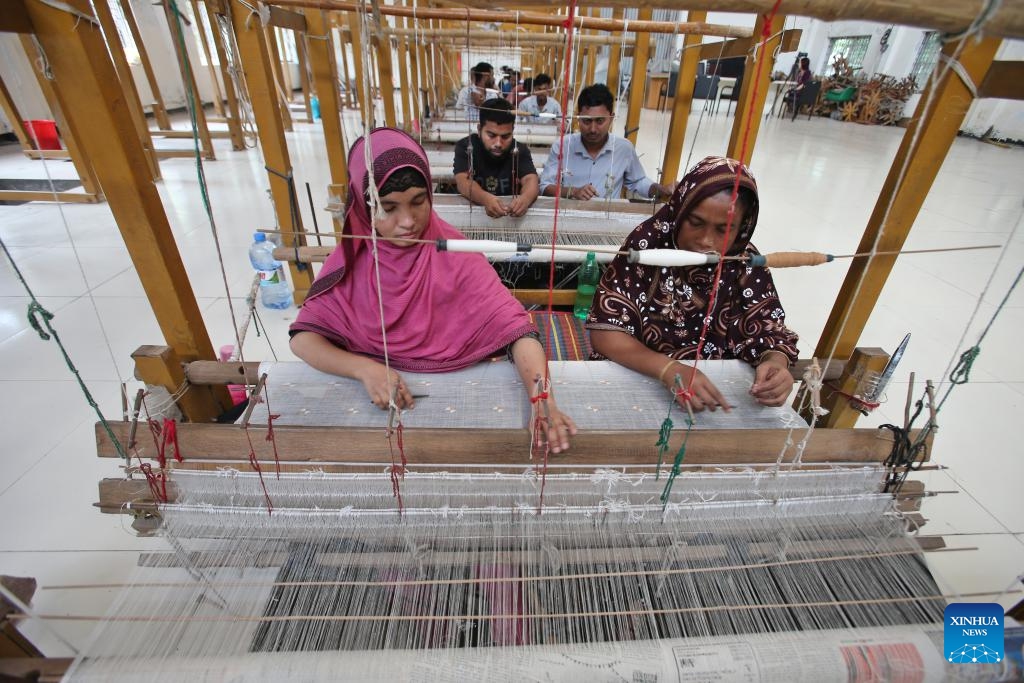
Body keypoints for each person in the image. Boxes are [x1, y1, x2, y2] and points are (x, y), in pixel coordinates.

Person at [290, 128, 575, 452]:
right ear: (363, 205)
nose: (407, 221)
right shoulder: (352, 264)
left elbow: (519, 332)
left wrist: (542, 399)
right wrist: (364, 369)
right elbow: (303, 339)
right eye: (388, 208)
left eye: (418, 202)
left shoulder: (456, 256)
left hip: (461, 410)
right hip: (375, 413)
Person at [586, 156, 799, 412]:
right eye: (695, 223)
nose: (706, 240)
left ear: (743, 227)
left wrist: (775, 362)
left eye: (724, 229)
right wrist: (668, 369)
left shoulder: (743, 262)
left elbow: (769, 330)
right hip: (639, 374)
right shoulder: (648, 246)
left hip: (711, 393)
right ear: (680, 209)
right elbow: (606, 332)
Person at [538, 83, 675, 201]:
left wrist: (661, 190)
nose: (592, 129)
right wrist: (573, 192)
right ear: (578, 118)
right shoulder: (562, 146)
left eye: (599, 121)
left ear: (611, 118)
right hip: (568, 218)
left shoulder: (624, 149)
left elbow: (638, 182)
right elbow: (545, 186)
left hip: (607, 221)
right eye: (586, 121)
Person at [453, 98, 539, 218]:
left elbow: (531, 179)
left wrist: (525, 199)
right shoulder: (466, 147)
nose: (498, 143)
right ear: (479, 129)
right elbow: (463, 181)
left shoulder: (519, 150)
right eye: (491, 135)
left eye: (506, 136)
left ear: (512, 131)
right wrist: (485, 199)